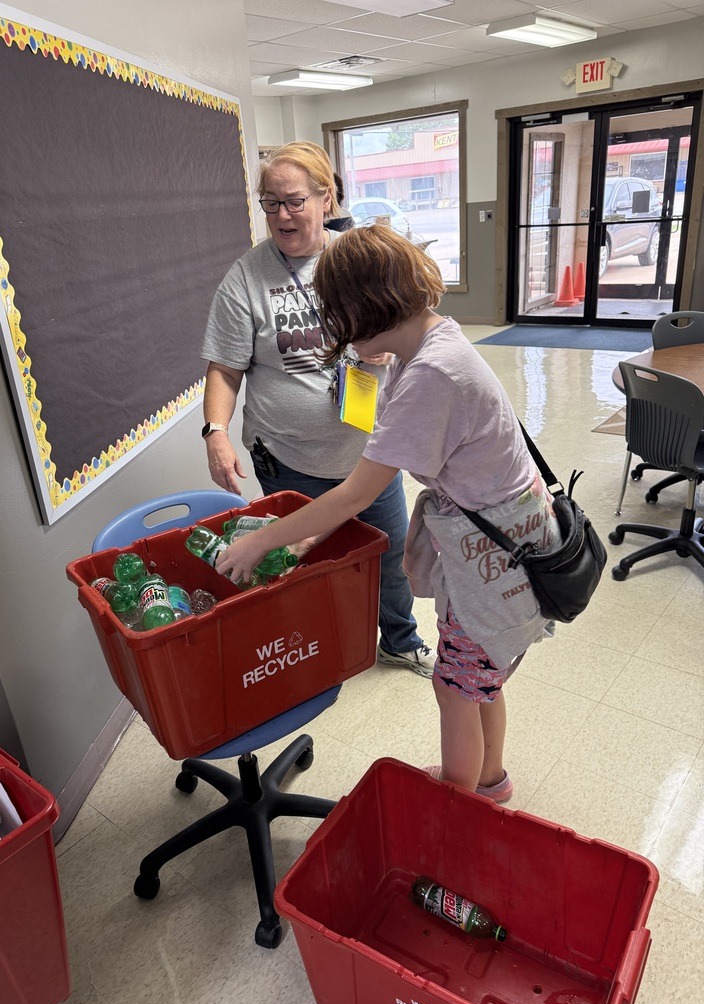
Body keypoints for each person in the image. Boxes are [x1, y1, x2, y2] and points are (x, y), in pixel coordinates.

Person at [215, 225, 559, 803]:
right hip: (505, 540)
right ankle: (489, 781)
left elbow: (356, 492)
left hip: (494, 559)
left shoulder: (431, 374)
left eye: (336, 312)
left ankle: (458, 802)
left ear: (361, 307)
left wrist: (261, 541)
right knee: (480, 680)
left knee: (455, 690)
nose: (332, 327)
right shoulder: (428, 344)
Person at [200, 142, 433, 677]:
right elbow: (225, 368)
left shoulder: (358, 260)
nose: (282, 215)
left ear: (326, 198)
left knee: (389, 554)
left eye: (294, 200)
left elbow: (418, 328)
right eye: (270, 203)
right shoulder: (246, 278)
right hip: (291, 458)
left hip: (369, 451)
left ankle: (399, 640)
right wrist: (216, 431)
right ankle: (325, 647)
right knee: (306, 562)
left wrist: (390, 344)